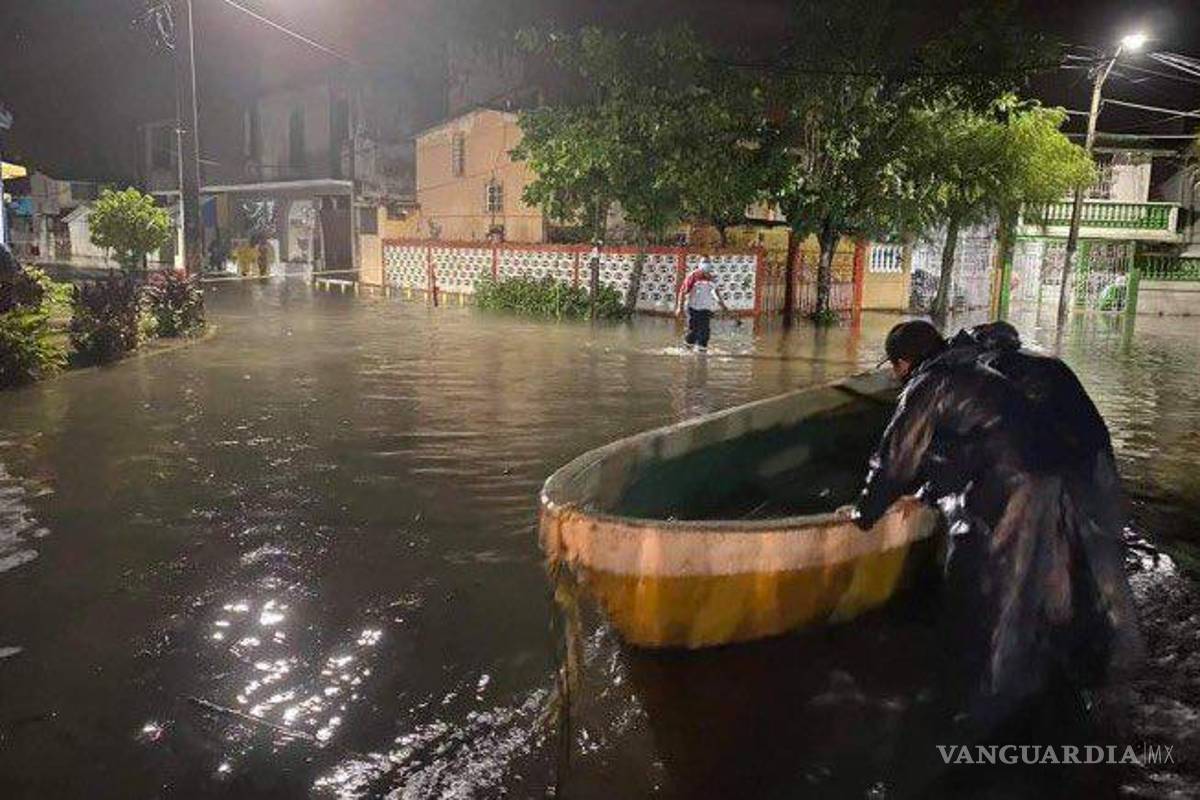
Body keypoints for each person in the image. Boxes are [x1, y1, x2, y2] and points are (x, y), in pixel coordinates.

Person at [849, 319, 1141, 737]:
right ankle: (1071, 677)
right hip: (1054, 478)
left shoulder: (927, 383)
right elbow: (972, 443)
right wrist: (931, 491)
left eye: (896, 369)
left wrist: (865, 512)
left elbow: (897, 457)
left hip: (1013, 489)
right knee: (1045, 580)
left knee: (990, 588)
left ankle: (987, 711)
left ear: (902, 364)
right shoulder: (976, 370)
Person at [675, 259, 730, 351]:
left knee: (705, 332)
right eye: (705, 262)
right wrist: (679, 308)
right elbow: (683, 292)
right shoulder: (693, 276)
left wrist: (723, 306)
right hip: (693, 308)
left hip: (705, 309)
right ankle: (687, 348)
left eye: (708, 263)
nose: (707, 266)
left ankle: (702, 352)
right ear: (700, 265)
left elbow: (715, 293)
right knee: (693, 331)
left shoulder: (711, 278)